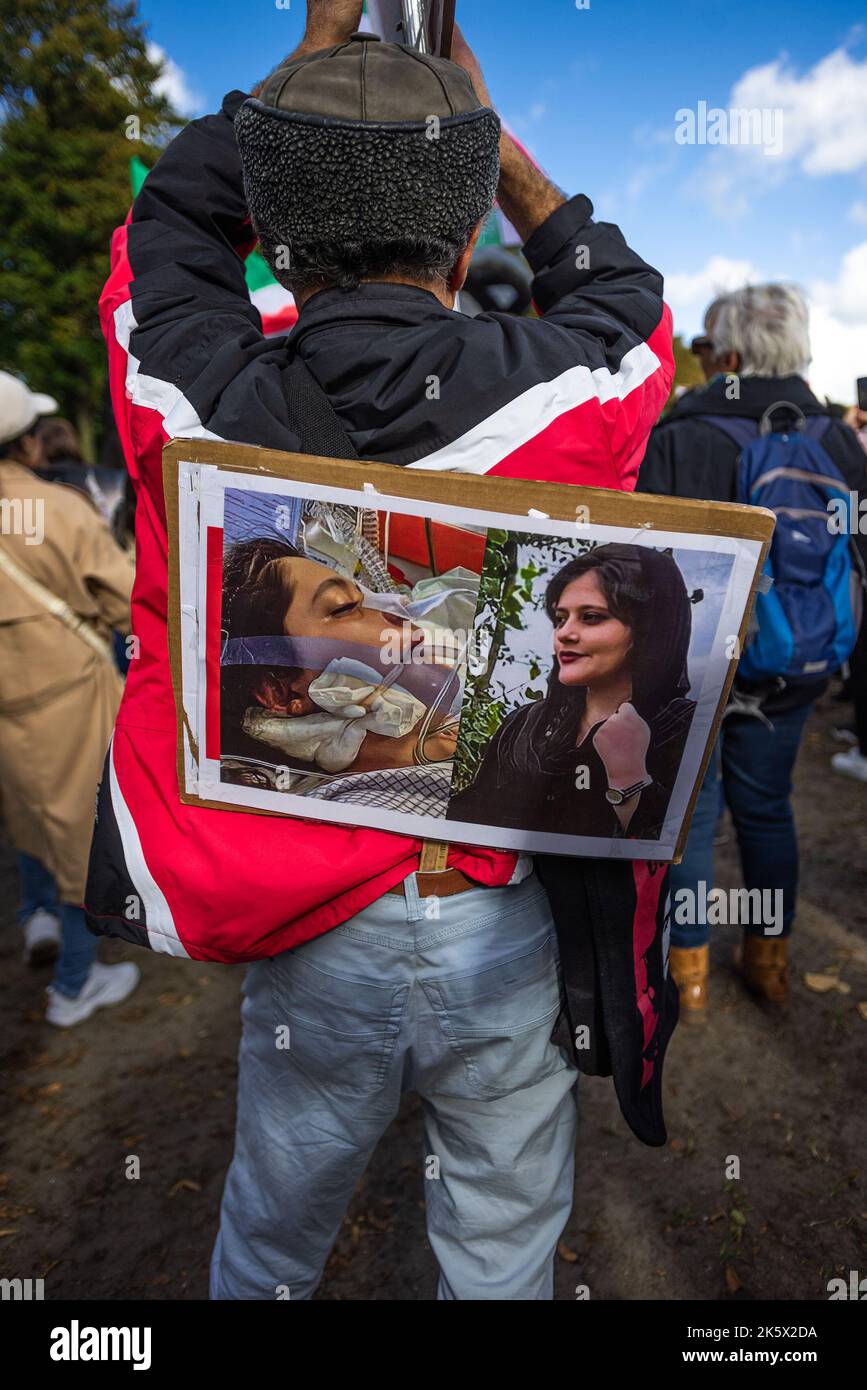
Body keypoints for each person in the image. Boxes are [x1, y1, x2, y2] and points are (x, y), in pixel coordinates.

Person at [85, 1, 676, 1300]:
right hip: (499, 914)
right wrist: (489, 143)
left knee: (269, 1235)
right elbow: (629, 303)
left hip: (312, 932)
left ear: (279, 232)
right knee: (501, 1246)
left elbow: (163, 233)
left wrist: (310, 64)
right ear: (466, 238)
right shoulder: (568, 390)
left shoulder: (190, 390)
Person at [638, 283, 867, 1018]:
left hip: (698, 661)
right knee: (767, 807)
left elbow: (646, 560)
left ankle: (690, 972)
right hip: (796, 659)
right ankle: (768, 960)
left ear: (727, 352)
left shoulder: (683, 431)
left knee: (692, 816)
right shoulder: (834, 439)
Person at [0, 371, 139, 1025]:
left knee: (33, 821)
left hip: (12, 712)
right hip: (69, 699)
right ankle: (73, 986)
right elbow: (130, 603)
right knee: (86, 845)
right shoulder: (57, 510)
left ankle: (36, 923)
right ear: (28, 445)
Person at [450, 544, 696, 840]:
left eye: (591, 617)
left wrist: (628, 774)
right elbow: (472, 815)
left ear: (646, 628)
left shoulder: (685, 727)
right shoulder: (525, 724)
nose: (564, 633)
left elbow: (671, 845)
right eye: (560, 618)